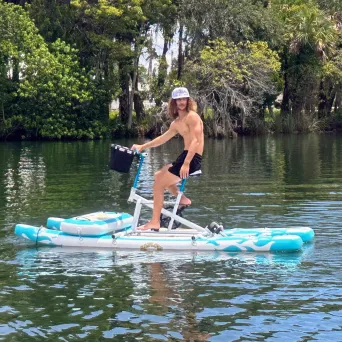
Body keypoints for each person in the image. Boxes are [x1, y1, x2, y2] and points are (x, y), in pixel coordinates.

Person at [131, 87, 204, 231]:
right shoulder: (176, 123)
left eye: (184, 99)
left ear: (188, 101)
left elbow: (195, 141)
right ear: (174, 102)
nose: (182, 102)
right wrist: (142, 146)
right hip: (184, 156)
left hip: (192, 157)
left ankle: (154, 222)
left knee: (158, 185)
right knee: (159, 175)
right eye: (179, 100)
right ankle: (182, 200)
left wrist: (187, 163)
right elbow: (162, 139)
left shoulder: (192, 117)